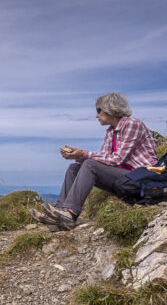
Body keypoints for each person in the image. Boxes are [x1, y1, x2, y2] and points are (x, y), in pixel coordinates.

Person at [31, 92, 158, 230]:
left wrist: (84, 154)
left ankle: (70, 212)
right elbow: (103, 158)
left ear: (111, 109)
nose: (97, 115)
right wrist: (78, 156)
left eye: (99, 110)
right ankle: (59, 216)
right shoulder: (111, 131)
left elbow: (117, 159)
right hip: (123, 179)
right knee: (74, 168)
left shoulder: (132, 124)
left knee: (90, 164)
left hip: (140, 178)